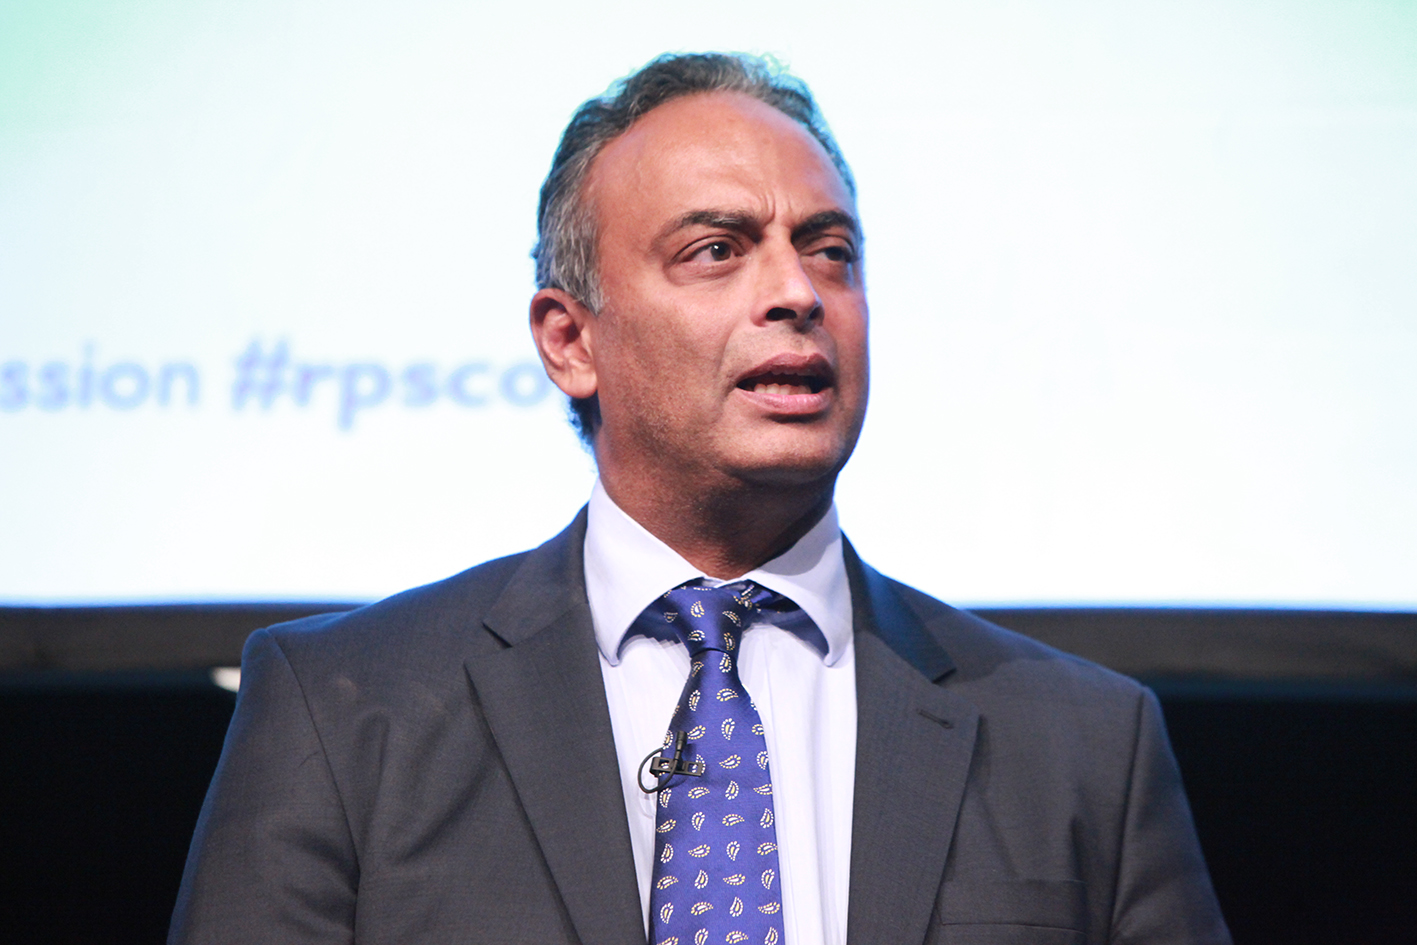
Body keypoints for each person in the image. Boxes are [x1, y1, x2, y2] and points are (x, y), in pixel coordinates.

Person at [169, 53, 1230, 945]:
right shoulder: (345, 710)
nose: (797, 293)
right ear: (570, 341)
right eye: (716, 251)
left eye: (830, 251)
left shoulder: (1084, 744)